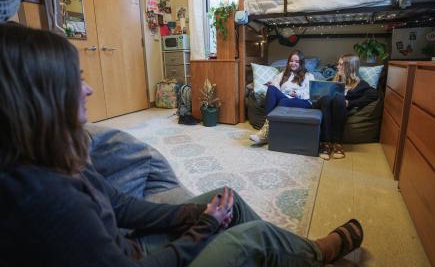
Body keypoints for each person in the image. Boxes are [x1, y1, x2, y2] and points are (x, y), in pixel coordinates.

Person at [0, 24, 364, 266]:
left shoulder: (57, 156)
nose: (88, 89)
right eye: (76, 80)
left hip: (131, 246)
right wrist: (203, 229)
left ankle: (292, 255)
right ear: (41, 99)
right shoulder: (45, 201)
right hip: (137, 259)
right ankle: (316, 253)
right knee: (251, 237)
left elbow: (122, 205)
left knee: (225, 197)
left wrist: (195, 214)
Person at [313, 54, 379, 160]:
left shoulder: (360, 84)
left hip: (339, 109)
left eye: (340, 64)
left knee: (339, 99)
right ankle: (325, 142)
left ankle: (337, 143)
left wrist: (350, 103)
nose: (337, 67)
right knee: (327, 99)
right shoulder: (333, 80)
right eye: (338, 64)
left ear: (349, 67)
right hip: (323, 106)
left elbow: (374, 94)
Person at [250, 49, 315, 144]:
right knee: (272, 89)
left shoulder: (308, 76)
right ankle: (267, 130)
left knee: (283, 102)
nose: (293, 63)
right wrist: (270, 84)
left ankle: (266, 133)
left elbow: (310, 93)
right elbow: (276, 86)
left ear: (301, 63)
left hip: (302, 101)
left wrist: (297, 94)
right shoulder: (284, 74)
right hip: (286, 97)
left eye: (296, 61)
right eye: (291, 61)